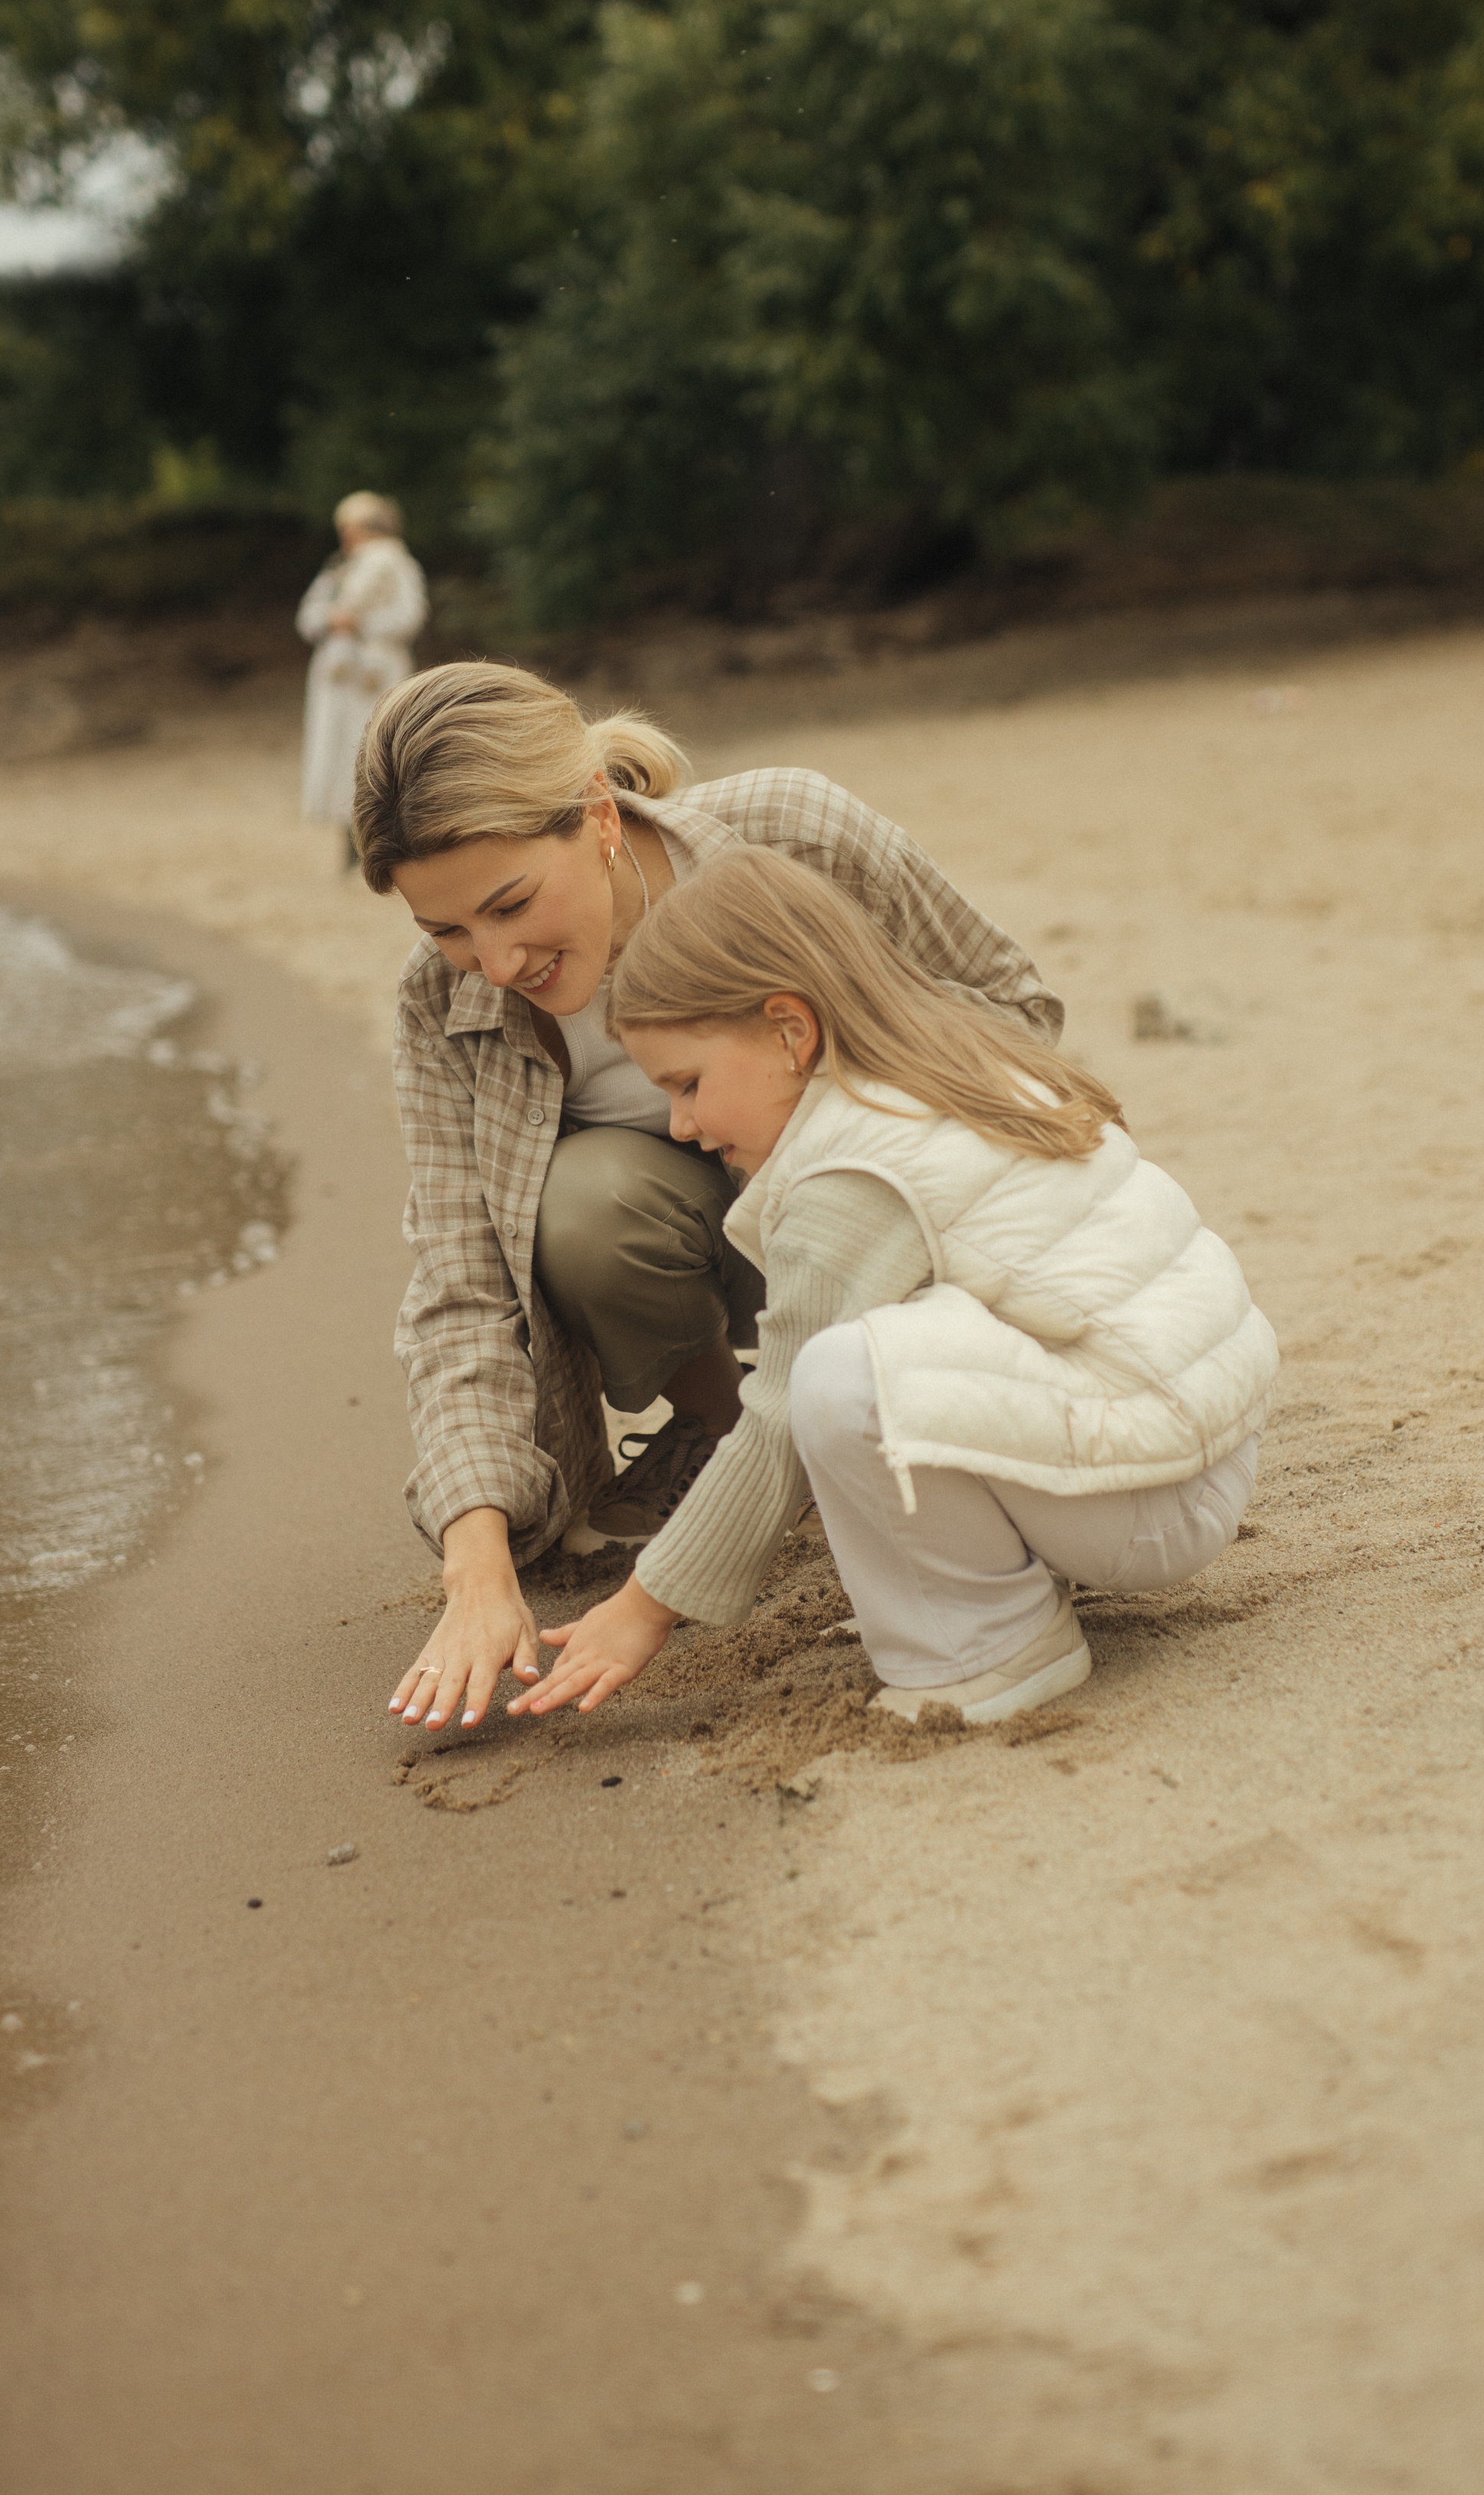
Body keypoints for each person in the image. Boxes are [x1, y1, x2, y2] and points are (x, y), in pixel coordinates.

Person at [353, 660, 1063, 1737]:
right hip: (676, 1249)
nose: (492, 962)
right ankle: (722, 1431)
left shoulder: (798, 834)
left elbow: (1018, 1015)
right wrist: (476, 1562)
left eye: (510, 905)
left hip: (872, 1217)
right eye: (445, 929)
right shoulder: (440, 1005)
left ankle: (855, 1422)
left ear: (596, 816)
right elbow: (461, 1288)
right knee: (585, 1207)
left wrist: (823, 1107)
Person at [488, 846, 1277, 1732]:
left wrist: (641, 1608)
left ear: (791, 1031)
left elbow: (780, 1420)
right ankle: (987, 1582)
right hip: (1194, 1446)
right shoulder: (940, 1064)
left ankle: (989, 1647)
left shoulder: (854, 1168)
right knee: (884, 1344)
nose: (679, 1123)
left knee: (840, 1379)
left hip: (1144, 1500)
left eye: (688, 1084)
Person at [297, 493, 429, 860]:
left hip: (377, 673)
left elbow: (410, 617)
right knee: (339, 751)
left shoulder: (399, 566)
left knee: (375, 747)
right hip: (337, 674)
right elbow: (308, 616)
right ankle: (347, 839)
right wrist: (330, 620)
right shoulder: (339, 567)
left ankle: (380, 837)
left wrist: (362, 624)